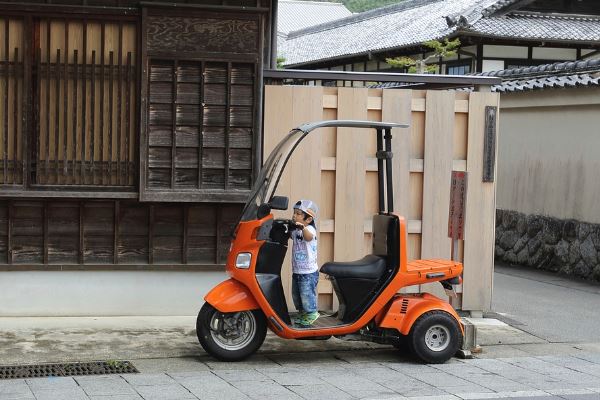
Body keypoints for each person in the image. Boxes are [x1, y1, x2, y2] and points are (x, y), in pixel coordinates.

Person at [290, 199, 320, 327]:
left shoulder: (309, 229)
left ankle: (311, 312)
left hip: (308, 272)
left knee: (306, 294)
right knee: (297, 294)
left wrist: (303, 228)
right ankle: (303, 312)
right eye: (294, 213)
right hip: (297, 270)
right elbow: (290, 235)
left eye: (298, 214)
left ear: (308, 219)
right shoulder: (296, 230)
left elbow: (308, 237)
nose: (294, 215)